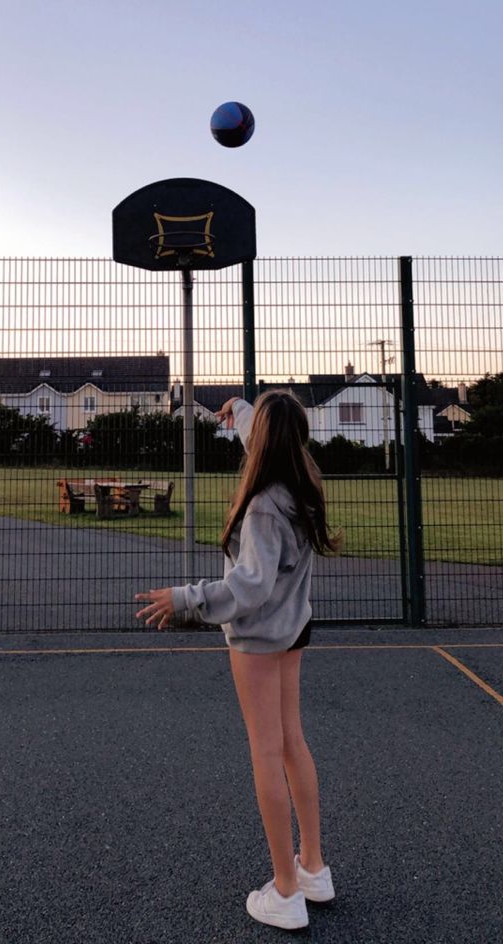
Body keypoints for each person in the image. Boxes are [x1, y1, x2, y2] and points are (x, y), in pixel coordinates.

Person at [135, 390, 342, 931]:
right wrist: (244, 408)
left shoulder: (262, 507)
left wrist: (185, 599)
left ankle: (285, 890)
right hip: (294, 631)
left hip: (258, 637)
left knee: (266, 752)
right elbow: (268, 435)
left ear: (264, 442)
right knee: (292, 742)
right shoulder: (304, 484)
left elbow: (247, 587)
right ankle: (313, 869)